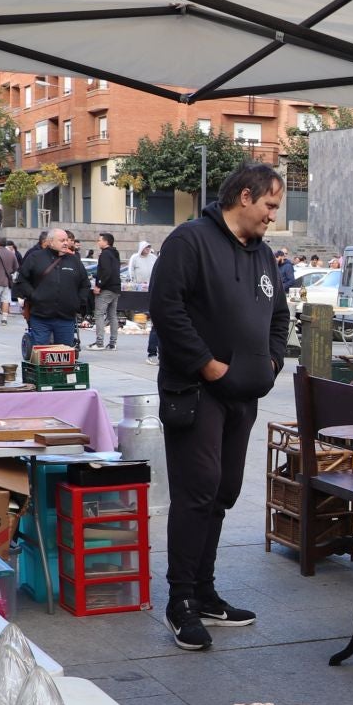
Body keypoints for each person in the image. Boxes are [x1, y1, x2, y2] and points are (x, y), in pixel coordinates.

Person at [151, 163, 290, 651]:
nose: (274, 216)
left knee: (225, 491)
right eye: (270, 205)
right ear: (245, 196)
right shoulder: (189, 241)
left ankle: (206, 592)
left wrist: (271, 363)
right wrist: (208, 366)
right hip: (196, 393)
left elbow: (279, 316)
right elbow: (166, 308)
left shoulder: (264, 255)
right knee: (197, 491)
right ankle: (181, 601)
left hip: (244, 396)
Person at [18, 229, 89, 351]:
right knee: (41, 353)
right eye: (62, 240)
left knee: (64, 353)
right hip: (41, 317)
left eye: (66, 240)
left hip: (66, 318)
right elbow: (22, 280)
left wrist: (78, 302)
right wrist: (33, 296)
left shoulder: (74, 261)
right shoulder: (35, 257)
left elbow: (84, 284)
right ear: (50, 242)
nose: (66, 243)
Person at [126, 239, 159, 362]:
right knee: (156, 328)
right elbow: (131, 270)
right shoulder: (135, 257)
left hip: (154, 290)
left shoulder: (153, 258)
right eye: (146, 247)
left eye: (149, 247)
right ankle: (152, 354)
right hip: (141, 286)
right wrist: (133, 281)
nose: (147, 249)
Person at [90, 232, 122, 350]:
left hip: (106, 289)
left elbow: (106, 272)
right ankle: (113, 342)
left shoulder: (105, 254)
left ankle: (99, 342)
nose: (98, 242)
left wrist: (99, 285)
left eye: (99, 240)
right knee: (112, 315)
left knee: (99, 314)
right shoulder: (115, 253)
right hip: (115, 288)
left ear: (106, 241)